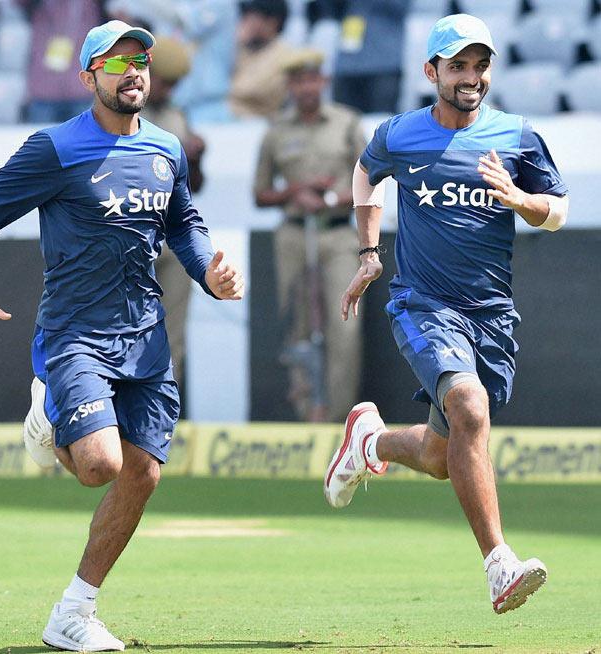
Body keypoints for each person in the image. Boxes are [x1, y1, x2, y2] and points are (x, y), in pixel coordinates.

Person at [0, 19, 244, 651]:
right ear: (88, 78)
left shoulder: (168, 148)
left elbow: (183, 223)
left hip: (146, 336)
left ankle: (73, 613)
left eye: (140, 60)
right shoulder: (54, 148)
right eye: (116, 64)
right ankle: (52, 420)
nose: (133, 70)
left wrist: (208, 269)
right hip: (75, 332)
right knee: (99, 467)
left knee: (142, 473)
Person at [324, 14, 568, 614]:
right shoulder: (400, 134)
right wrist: (368, 250)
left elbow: (558, 210)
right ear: (431, 71)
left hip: (491, 314)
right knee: (469, 407)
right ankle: (499, 564)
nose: (471, 77)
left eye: (480, 65)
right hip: (424, 303)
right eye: (458, 66)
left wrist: (520, 200)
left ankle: (370, 442)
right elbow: (365, 171)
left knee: (441, 454)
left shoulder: (516, 134)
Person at [253, 49, 367, 422]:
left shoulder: (347, 123)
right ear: (290, 85)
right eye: (298, 80)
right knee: (297, 323)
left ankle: (338, 421)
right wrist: (294, 192)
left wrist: (330, 198)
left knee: (343, 325)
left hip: (337, 234)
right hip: (294, 234)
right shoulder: (275, 131)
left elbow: (370, 182)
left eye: (312, 79)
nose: (305, 87)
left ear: (324, 81)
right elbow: (261, 193)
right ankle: (307, 417)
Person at [141, 36, 207, 394]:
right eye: (165, 81)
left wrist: (195, 158)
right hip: (134, 236)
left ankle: (160, 425)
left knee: (171, 335)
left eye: (174, 84)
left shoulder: (177, 117)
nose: (168, 90)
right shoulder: (123, 112)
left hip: (173, 237)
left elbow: (192, 185)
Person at [230, 0, 292, 119]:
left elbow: (248, 90)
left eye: (252, 16)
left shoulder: (284, 55)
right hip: (228, 121)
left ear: (272, 23)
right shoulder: (244, 48)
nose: (245, 21)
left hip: (260, 124)